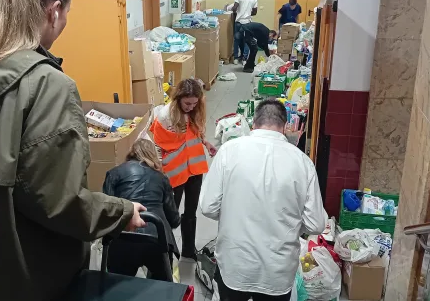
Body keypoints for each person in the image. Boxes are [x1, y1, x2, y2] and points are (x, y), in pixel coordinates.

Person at [0, 0, 147, 300]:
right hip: (31, 274)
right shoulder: (47, 86)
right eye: (68, 12)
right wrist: (120, 212)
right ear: (53, 11)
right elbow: (61, 202)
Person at [199, 99, 327, 301]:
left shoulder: (228, 151)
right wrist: (290, 223)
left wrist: (233, 214)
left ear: (253, 124)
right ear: (284, 127)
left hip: (235, 264)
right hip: (277, 271)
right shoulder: (302, 162)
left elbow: (208, 207)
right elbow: (316, 223)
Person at [150, 78, 216, 260]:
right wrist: (159, 170)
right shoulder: (165, 116)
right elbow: (156, 145)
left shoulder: (196, 110)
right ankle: (166, 252)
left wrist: (206, 142)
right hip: (174, 172)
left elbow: (196, 131)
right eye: (187, 103)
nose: (191, 107)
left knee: (191, 212)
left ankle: (188, 250)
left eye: (195, 103)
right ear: (178, 98)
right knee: (171, 214)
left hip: (194, 168)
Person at [102, 138, 182, 281]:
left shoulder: (113, 173)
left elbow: (107, 210)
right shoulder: (162, 178)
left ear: (131, 153)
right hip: (156, 237)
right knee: (162, 287)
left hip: (123, 236)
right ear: (152, 155)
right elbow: (174, 220)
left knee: (118, 288)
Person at [232, 0, 258, 64]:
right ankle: (244, 59)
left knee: (236, 40)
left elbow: (234, 8)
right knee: (247, 41)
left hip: (238, 22)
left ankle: (235, 58)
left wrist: (237, 14)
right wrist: (248, 14)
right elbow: (255, 12)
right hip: (248, 22)